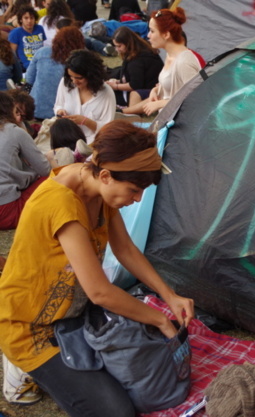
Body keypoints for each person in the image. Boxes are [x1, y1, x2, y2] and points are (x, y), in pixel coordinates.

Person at [0, 120, 194, 416]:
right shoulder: (62, 202)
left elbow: (125, 249)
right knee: (117, 411)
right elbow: (101, 292)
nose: (138, 198)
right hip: (31, 327)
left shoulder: (98, 188)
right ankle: (22, 366)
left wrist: (170, 296)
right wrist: (160, 320)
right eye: (134, 189)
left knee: (137, 373)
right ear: (105, 175)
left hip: (73, 314)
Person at [122, 7, 200, 116]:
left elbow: (196, 99)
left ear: (166, 34)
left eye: (152, 31)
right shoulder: (170, 55)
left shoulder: (184, 62)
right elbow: (175, 89)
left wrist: (161, 103)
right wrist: (156, 90)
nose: (148, 35)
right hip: (167, 120)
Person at [0, 91, 50, 230]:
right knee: (58, 177)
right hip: (5, 211)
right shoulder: (15, 131)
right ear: (9, 110)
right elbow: (45, 170)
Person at [53, 49, 116, 144]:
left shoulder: (106, 93)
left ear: (91, 75)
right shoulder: (65, 83)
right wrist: (60, 111)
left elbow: (108, 128)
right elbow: (58, 105)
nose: (74, 81)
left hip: (94, 140)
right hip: (66, 137)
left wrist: (86, 121)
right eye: (71, 77)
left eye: (79, 78)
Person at [26, 25, 85, 120]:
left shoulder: (42, 52)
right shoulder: (78, 61)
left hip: (35, 109)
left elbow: (29, 78)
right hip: (62, 113)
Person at [106, 26, 163, 108]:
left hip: (149, 89)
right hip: (150, 85)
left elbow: (135, 85)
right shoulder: (142, 48)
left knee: (108, 94)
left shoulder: (137, 60)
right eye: (116, 46)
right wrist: (118, 82)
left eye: (119, 46)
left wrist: (116, 86)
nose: (117, 49)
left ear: (127, 43)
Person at [8, 4, 45, 72]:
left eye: (31, 18)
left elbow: (42, 45)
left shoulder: (40, 28)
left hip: (42, 64)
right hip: (26, 67)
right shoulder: (15, 33)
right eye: (26, 18)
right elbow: (12, 53)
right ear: (21, 19)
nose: (29, 21)